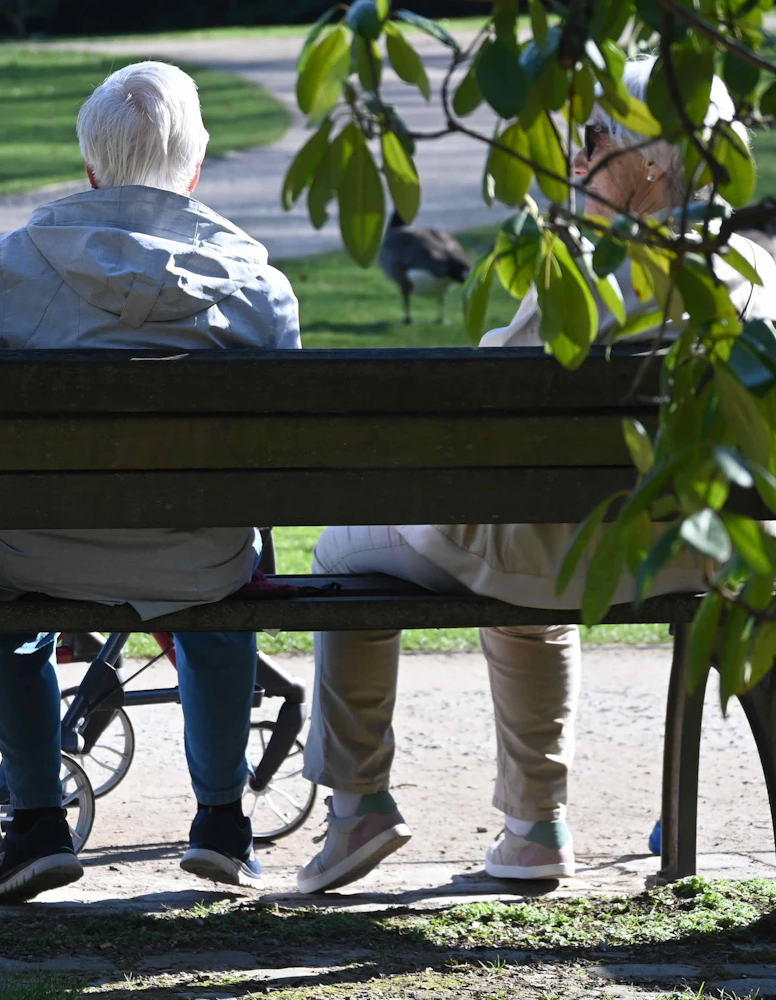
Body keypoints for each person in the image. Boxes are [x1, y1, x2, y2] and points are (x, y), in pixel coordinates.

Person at [298, 59, 776, 894]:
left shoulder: (593, 274)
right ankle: (531, 832)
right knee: (522, 549)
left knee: (346, 546)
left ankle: (363, 804)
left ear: (655, 160)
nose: (574, 159)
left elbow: (492, 399)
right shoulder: (755, 271)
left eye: (592, 140)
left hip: (572, 547)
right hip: (707, 550)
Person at [0, 61, 302, 903]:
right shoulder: (257, 279)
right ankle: (223, 818)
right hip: (200, 559)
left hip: (35, 551)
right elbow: (281, 452)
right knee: (223, 583)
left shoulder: (18, 261)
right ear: (195, 170)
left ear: (91, 169)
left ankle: (37, 820)